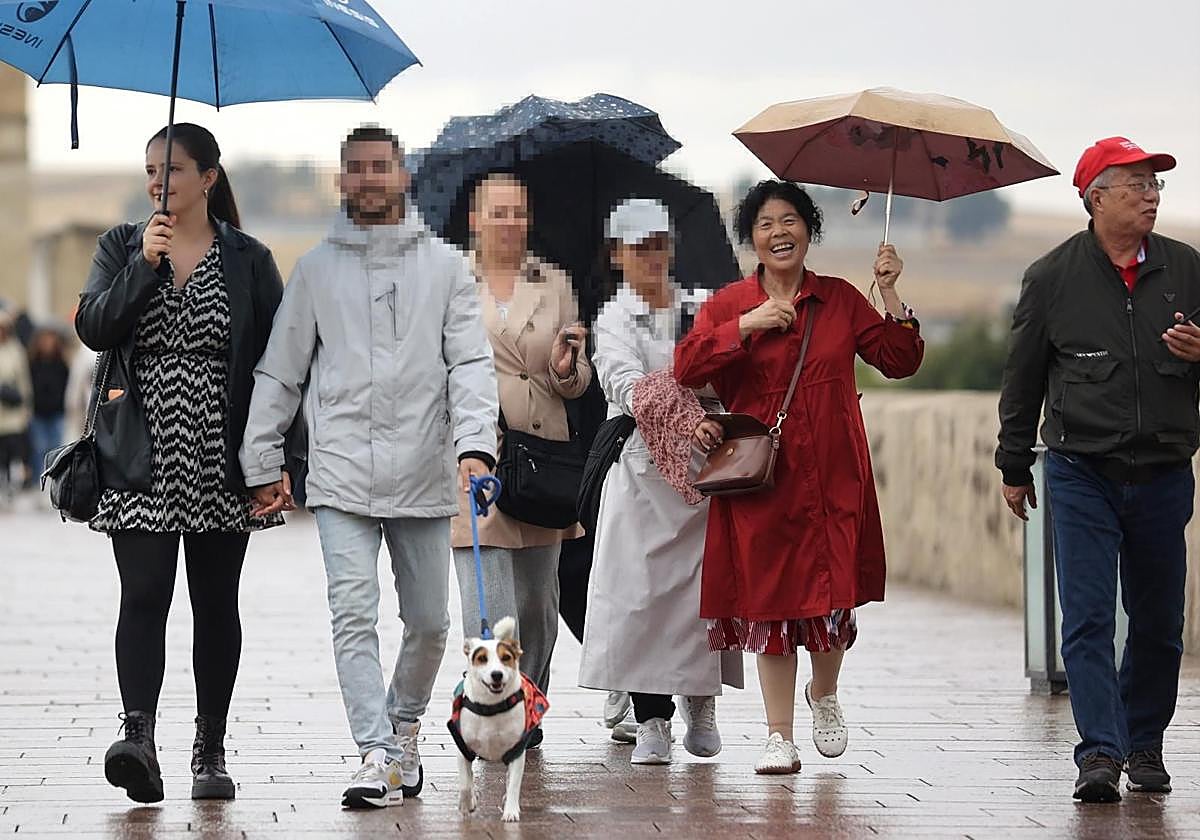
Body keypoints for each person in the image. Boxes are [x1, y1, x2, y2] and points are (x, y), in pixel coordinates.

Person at [239, 125, 498, 810]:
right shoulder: (315, 270)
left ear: (402, 176)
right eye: (356, 168)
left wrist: (476, 445)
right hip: (340, 475)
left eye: (380, 166)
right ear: (341, 180)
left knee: (431, 624)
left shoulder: (446, 268)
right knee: (353, 614)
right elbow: (281, 371)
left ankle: (403, 724)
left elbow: (471, 365)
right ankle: (375, 752)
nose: (368, 178)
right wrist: (261, 456)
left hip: (424, 471)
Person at [674, 180, 923, 774]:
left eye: (790, 220)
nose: (778, 233)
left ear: (809, 230)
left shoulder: (839, 299)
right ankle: (778, 735)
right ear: (752, 239)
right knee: (771, 604)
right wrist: (747, 326)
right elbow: (686, 366)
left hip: (835, 474)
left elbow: (899, 359)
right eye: (765, 224)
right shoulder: (731, 304)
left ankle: (825, 692)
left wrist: (890, 291)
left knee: (833, 602)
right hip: (761, 481)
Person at [74, 123, 285, 804]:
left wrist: (279, 460)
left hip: (222, 452)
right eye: (149, 170)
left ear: (208, 177)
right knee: (144, 595)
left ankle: (210, 748)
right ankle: (138, 737)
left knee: (216, 603)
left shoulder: (249, 258)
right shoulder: (121, 245)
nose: (157, 182)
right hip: (139, 449)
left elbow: (278, 367)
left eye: (171, 169)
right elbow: (94, 327)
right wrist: (143, 265)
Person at [996, 137, 1200, 803]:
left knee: (1159, 622)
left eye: (1155, 185)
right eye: (1136, 184)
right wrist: (1013, 463)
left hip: (1164, 470)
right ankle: (1100, 754)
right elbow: (1023, 379)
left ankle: (1144, 744)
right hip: (1080, 469)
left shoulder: (1187, 268)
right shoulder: (1052, 277)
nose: (1150, 196)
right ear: (1096, 198)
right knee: (1086, 618)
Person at [579, 198, 742, 766]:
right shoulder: (612, 319)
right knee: (640, 599)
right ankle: (652, 718)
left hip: (704, 474)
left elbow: (730, 373)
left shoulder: (702, 307)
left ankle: (701, 702)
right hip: (640, 474)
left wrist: (701, 401)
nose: (651, 256)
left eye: (659, 245)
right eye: (638, 247)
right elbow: (623, 383)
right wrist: (686, 404)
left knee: (699, 595)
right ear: (617, 255)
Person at [449, 172, 591, 735]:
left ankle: (527, 709)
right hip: (478, 459)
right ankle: (495, 715)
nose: (509, 222)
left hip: (541, 463)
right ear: (475, 219)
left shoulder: (552, 282)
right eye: (498, 211)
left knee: (538, 609)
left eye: (518, 212)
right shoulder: (453, 280)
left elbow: (576, 380)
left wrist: (566, 369)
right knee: (488, 607)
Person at [27, 326, 71, 475]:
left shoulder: (61, 364)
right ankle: (39, 478)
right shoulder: (32, 364)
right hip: (38, 412)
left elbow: (67, 387)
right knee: (39, 448)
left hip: (57, 412)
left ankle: (54, 477)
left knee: (56, 448)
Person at [0, 310, 31, 503]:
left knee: (13, 453)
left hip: (13, 413)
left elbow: (24, 382)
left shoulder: (16, 351)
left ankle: (12, 488)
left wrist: (26, 407)